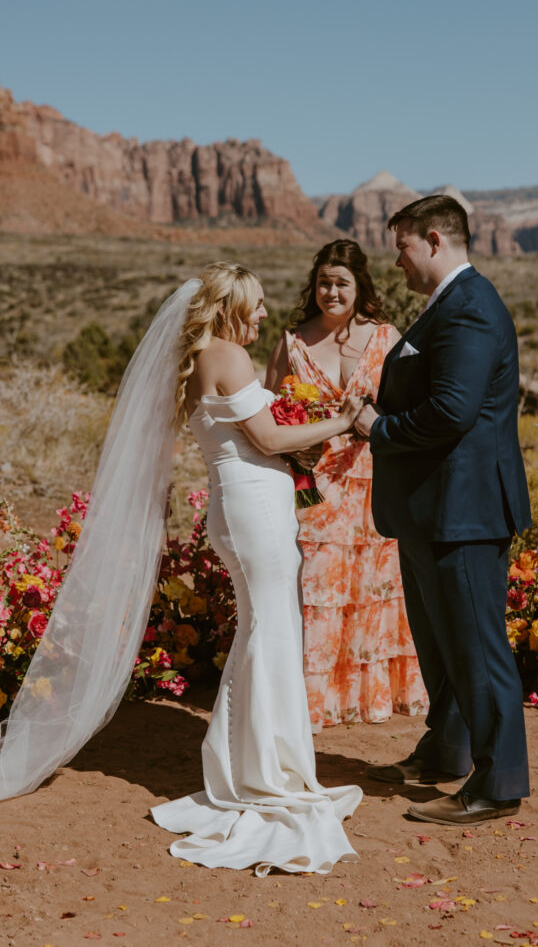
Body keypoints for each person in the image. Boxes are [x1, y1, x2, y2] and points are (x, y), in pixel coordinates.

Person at [0, 262, 362, 875]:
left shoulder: (202, 356)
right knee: (269, 631)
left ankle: (256, 761)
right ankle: (258, 771)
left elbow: (256, 433)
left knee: (263, 631)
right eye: (257, 303)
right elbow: (269, 440)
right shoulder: (228, 356)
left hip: (241, 507)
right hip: (253, 513)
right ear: (229, 308)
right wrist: (347, 420)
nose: (265, 313)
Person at [354, 196, 532, 825]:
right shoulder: (447, 306)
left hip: (465, 511)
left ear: (433, 240)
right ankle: (447, 748)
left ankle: (497, 784)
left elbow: (453, 411)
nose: (396, 262)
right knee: (443, 642)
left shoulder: (470, 310)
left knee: (477, 646)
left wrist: (379, 427)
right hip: (435, 510)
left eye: (400, 247)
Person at [266, 240, 428, 732]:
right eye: (323, 282)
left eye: (341, 283)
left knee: (375, 587)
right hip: (314, 485)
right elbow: (270, 408)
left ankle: (371, 699)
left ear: (360, 288)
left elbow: (416, 404)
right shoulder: (292, 343)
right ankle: (314, 703)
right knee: (318, 587)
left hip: (377, 479)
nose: (330, 292)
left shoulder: (386, 338)